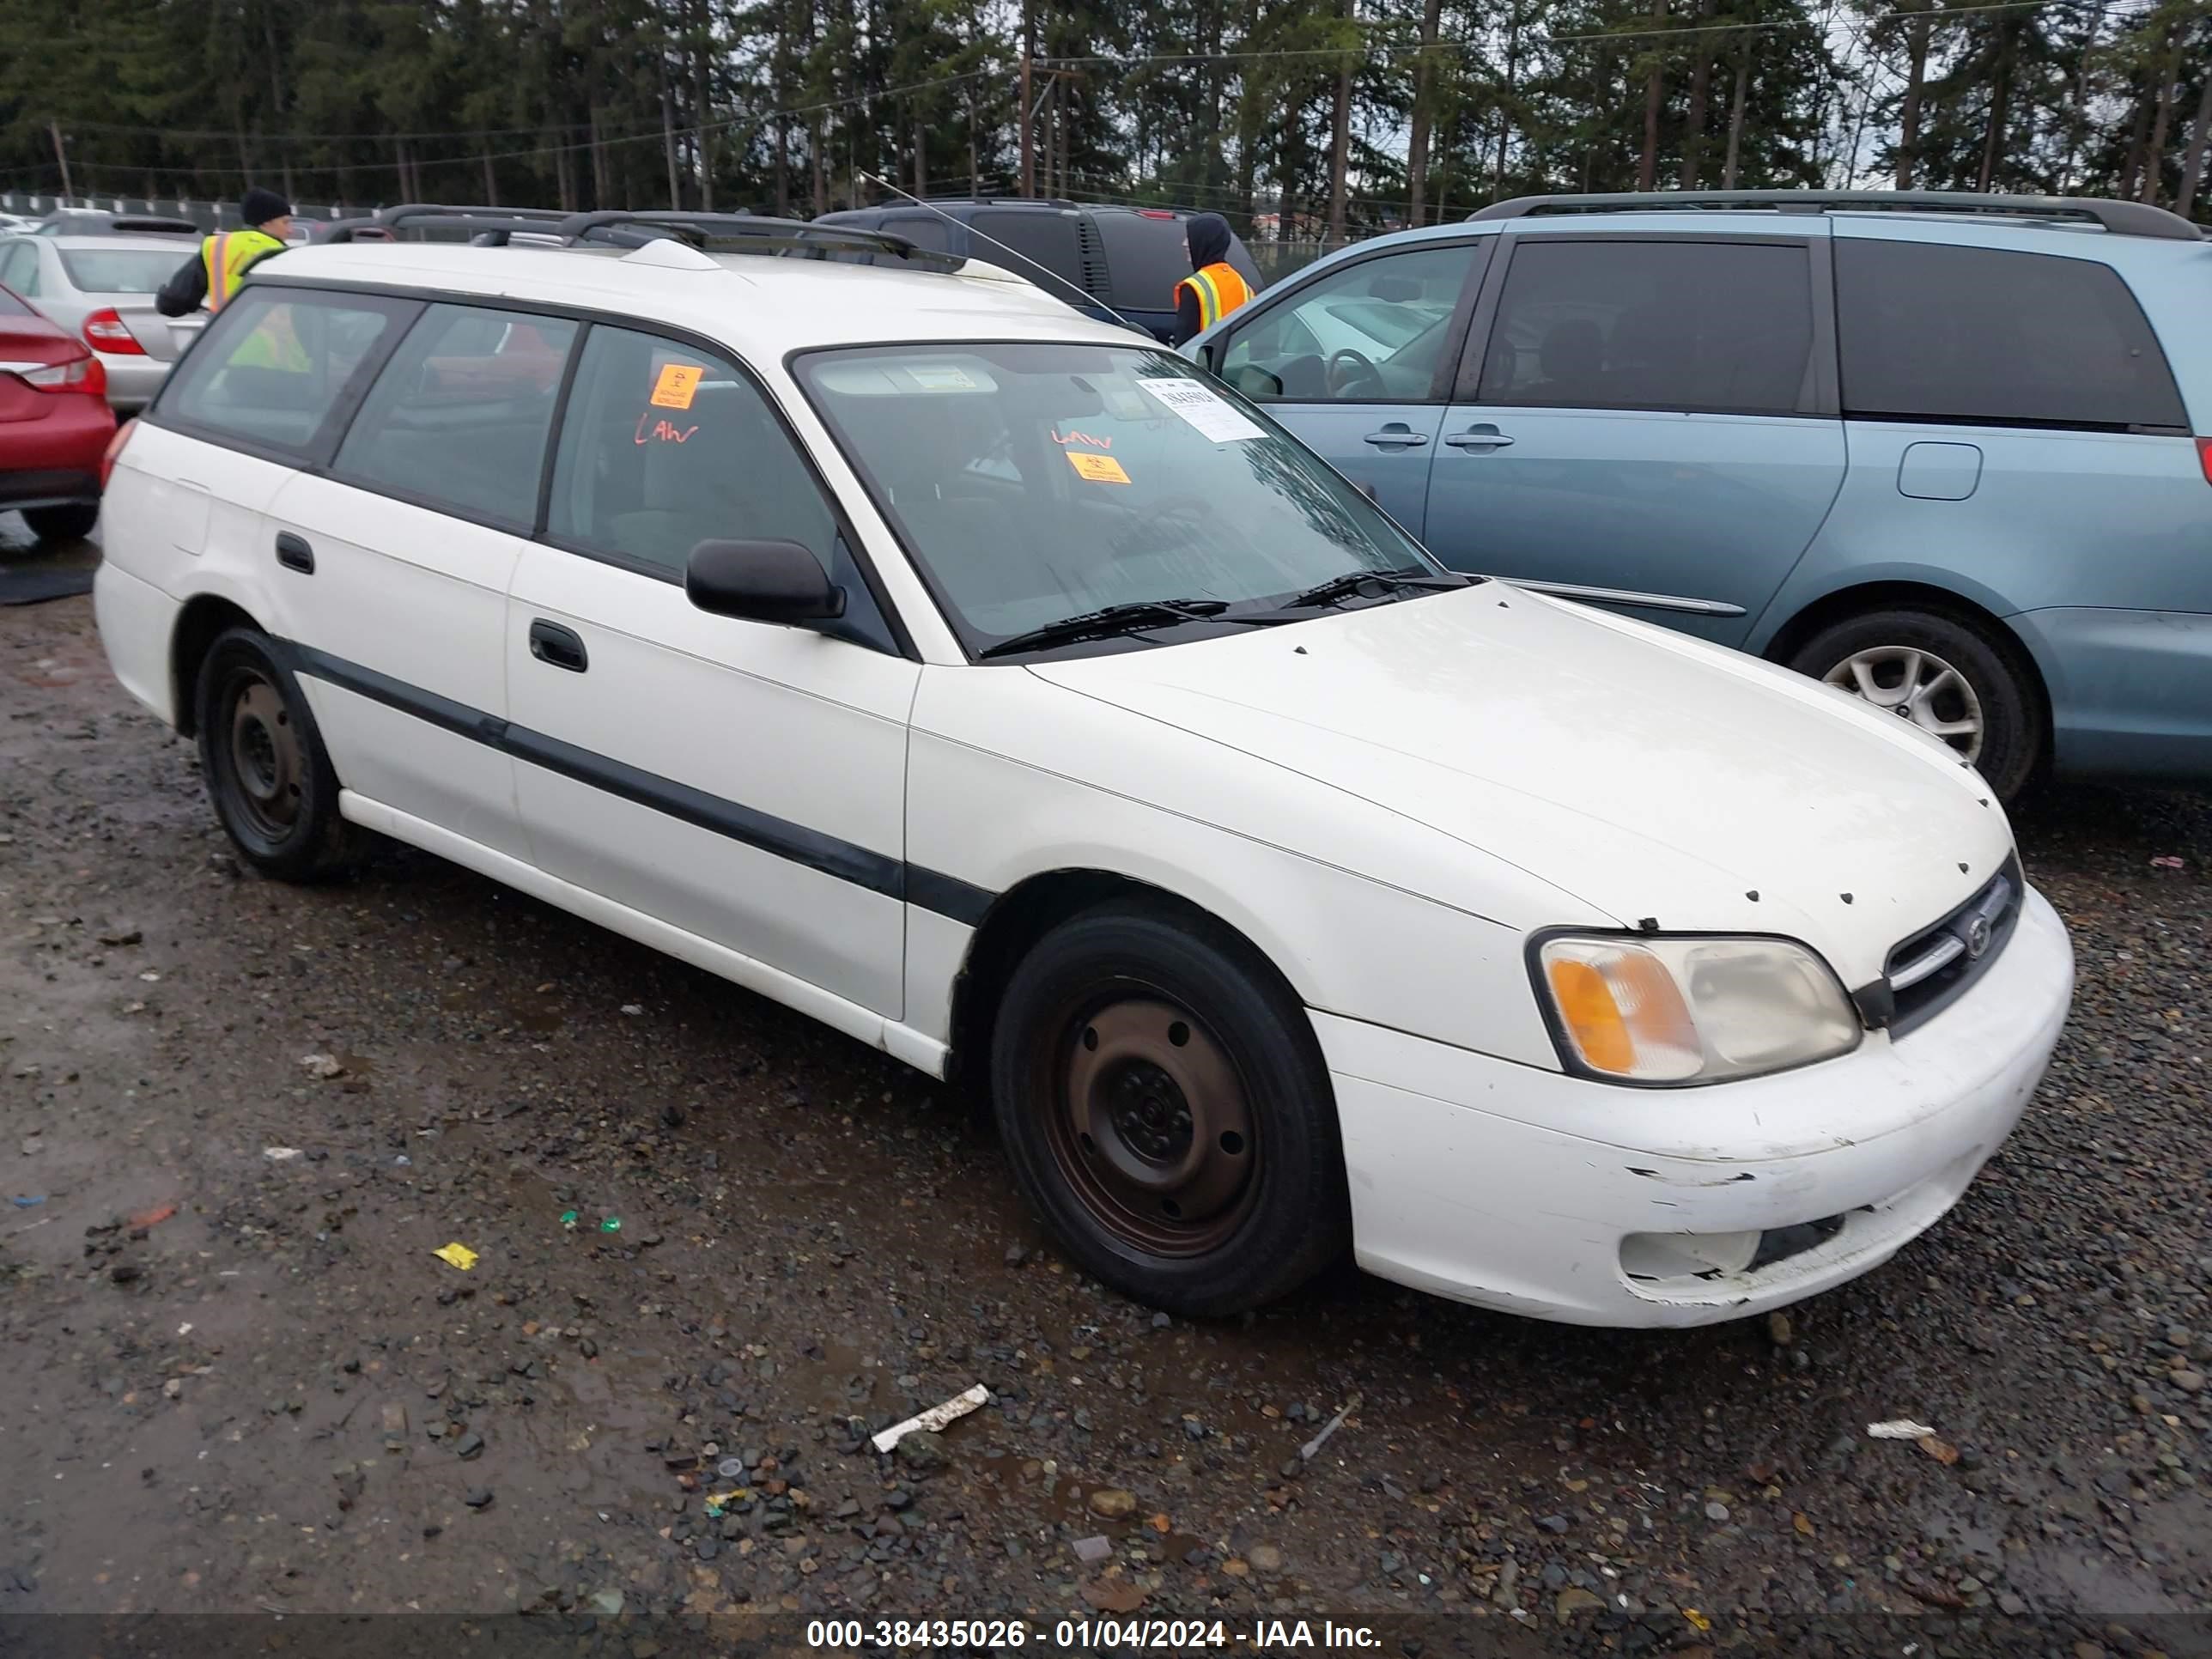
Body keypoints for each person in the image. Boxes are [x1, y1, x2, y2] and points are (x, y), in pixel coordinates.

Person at [156, 188, 294, 318]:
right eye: (285, 222)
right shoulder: (282, 254)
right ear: (265, 222)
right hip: (275, 340)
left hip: (225, 338)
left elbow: (172, 303)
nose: (290, 230)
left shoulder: (217, 246)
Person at [1170, 213, 1252, 348]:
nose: (1184, 243)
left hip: (1203, 366)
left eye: (1190, 238)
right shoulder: (1243, 284)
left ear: (1203, 242)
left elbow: (1184, 345)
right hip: (1238, 365)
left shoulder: (1194, 287)